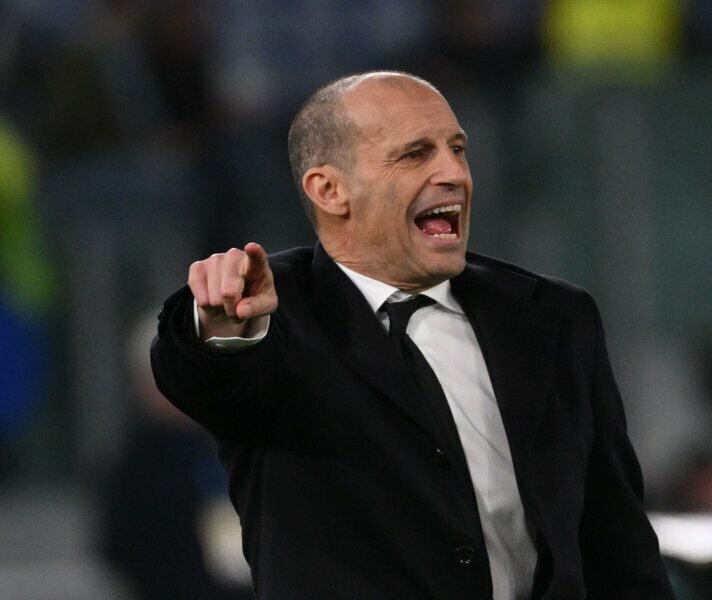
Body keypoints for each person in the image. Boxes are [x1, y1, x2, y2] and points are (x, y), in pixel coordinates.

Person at [151, 71, 674, 599]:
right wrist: (226, 327)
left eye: (457, 149)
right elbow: (199, 375)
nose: (454, 173)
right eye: (415, 154)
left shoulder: (552, 317)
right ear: (330, 190)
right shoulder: (277, 315)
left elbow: (618, 542)